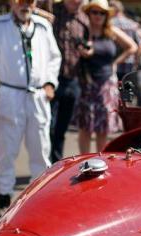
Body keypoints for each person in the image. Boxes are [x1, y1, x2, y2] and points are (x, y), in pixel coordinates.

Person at [0, 0, 61, 217]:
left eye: (30, 1)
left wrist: (50, 82)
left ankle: (40, 201)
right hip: (9, 94)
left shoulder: (43, 26)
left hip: (38, 95)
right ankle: (3, 199)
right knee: (6, 149)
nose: (25, 4)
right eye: (20, 1)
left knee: (41, 150)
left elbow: (54, 58)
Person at [73, 0, 136, 153]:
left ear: (107, 15)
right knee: (85, 127)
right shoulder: (83, 31)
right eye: (95, 12)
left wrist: (116, 63)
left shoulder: (111, 31)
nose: (98, 16)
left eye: (102, 13)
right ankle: (85, 161)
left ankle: (100, 160)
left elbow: (132, 46)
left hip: (107, 83)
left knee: (103, 128)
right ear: (88, 14)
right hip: (87, 83)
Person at [49, 0, 88, 163]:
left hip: (73, 79)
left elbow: (89, 45)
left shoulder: (85, 20)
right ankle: (46, 161)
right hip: (51, 78)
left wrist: (88, 50)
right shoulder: (52, 10)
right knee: (47, 125)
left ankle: (56, 161)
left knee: (62, 127)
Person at [110, 0, 141, 81]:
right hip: (129, 66)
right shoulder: (133, 24)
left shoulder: (109, 25)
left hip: (112, 66)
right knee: (127, 91)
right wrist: (137, 61)